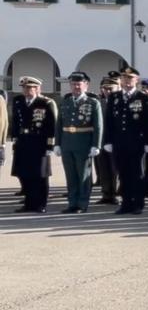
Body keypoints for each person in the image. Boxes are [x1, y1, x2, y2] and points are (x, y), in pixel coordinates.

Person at [103, 67, 148, 215]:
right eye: (125, 78)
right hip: (119, 142)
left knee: (137, 174)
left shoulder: (144, 98)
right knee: (123, 174)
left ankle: (138, 204)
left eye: (131, 78)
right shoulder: (114, 97)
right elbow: (109, 121)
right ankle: (126, 203)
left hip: (137, 142)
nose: (127, 81)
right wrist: (108, 140)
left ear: (136, 80)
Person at [55, 72, 103, 214]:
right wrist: (57, 143)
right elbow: (59, 124)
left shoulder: (93, 103)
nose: (76, 87)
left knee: (83, 175)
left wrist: (96, 145)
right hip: (67, 142)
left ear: (86, 85)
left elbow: (98, 126)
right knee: (70, 176)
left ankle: (82, 204)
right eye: (73, 84)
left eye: (79, 84)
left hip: (84, 143)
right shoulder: (65, 101)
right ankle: (72, 203)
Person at [10, 77, 57, 213]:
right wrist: (14, 139)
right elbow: (15, 121)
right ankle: (29, 203)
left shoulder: (46, 103)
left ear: (37, 89)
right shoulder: (18, 101)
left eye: (30, 88)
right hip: (23, 142)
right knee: (25, 174)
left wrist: (50, 145)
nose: (27, 90)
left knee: (40, 176)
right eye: (25, 88)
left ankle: (41, 204)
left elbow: (52, 125)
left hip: (39, 143)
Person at [94, 76, 120, 205]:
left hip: (116, 142)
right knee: (104, 169)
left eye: (110, 89)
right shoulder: (99, 103)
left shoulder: (121, 102)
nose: (107, 91)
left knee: (116, 170)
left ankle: (116, 194)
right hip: (102, 141)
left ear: (117, 88)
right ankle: (106, 193)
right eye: (105, 89)